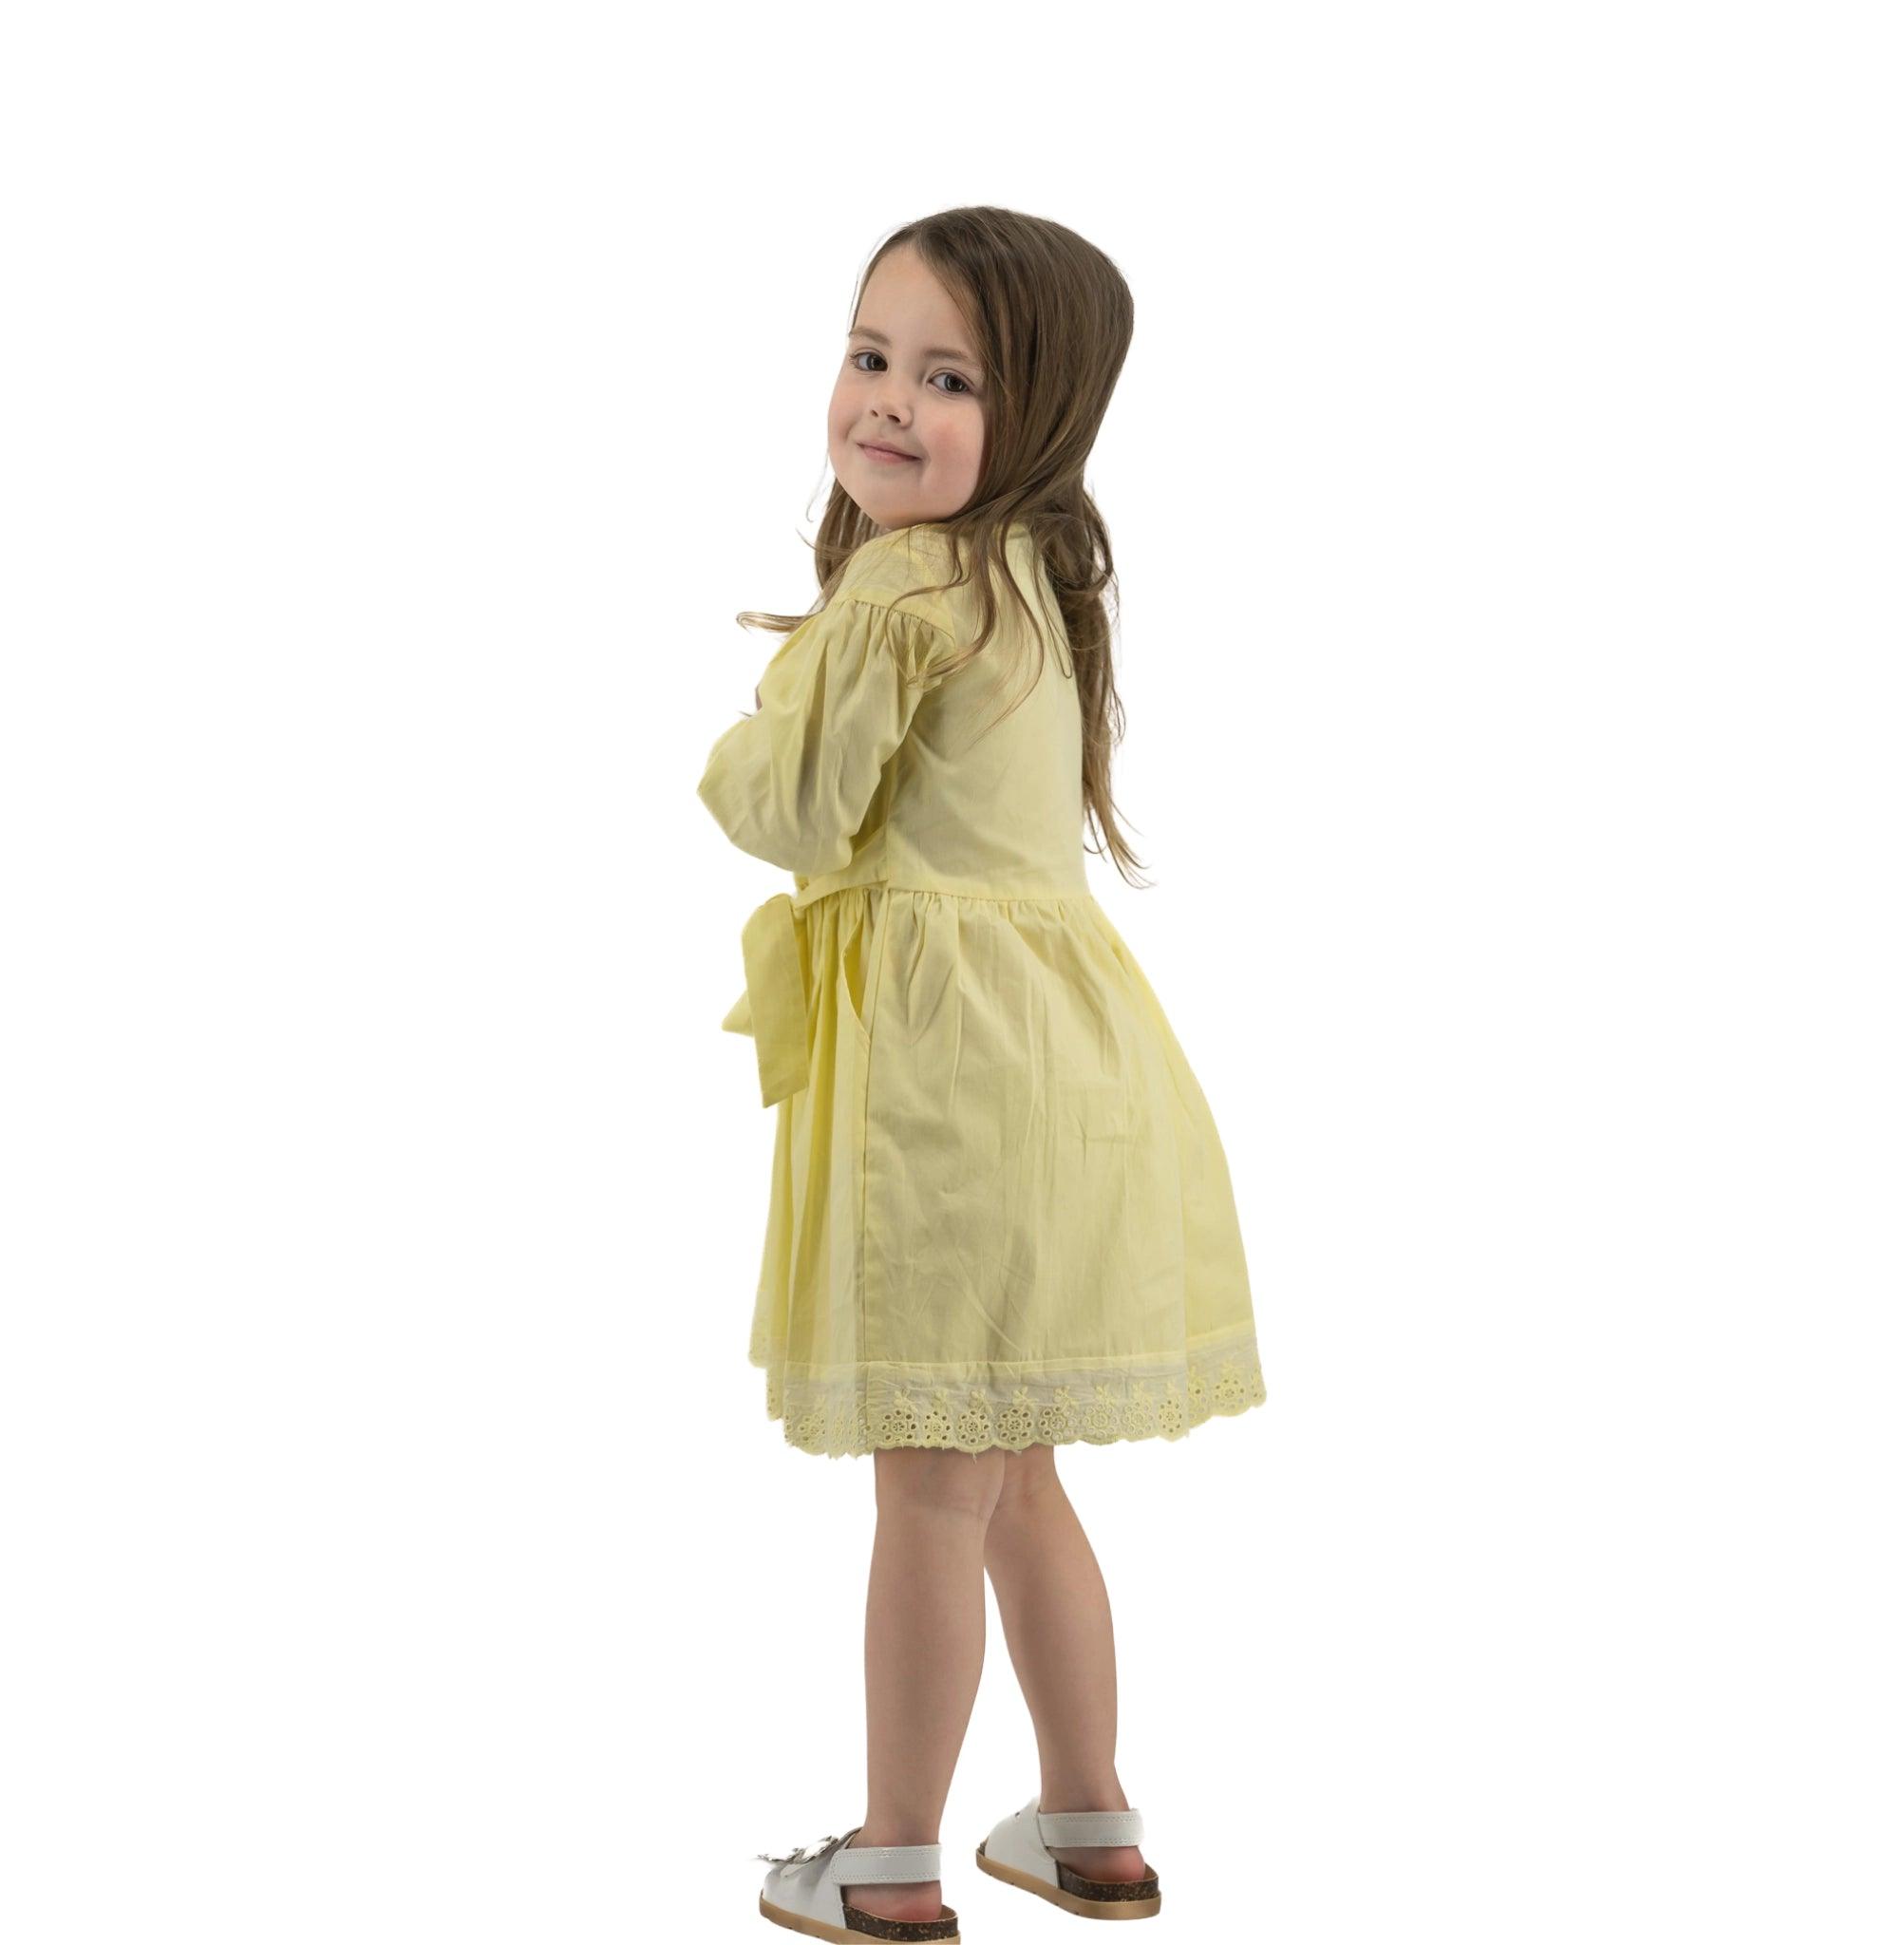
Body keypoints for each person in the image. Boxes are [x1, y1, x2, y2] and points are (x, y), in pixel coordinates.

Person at [697, 206, 1267, 1943]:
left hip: (953, 1082)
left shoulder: (901, 587)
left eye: (948, 378)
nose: (887, 401)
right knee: (1014, 1468)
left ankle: (888, 1855)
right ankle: (1088, 1821)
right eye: (870, 355)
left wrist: (753, 727)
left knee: (931, 1477)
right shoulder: (1038, 574)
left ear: (1041, 415)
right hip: (1076, 1059)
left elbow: (782, 811)